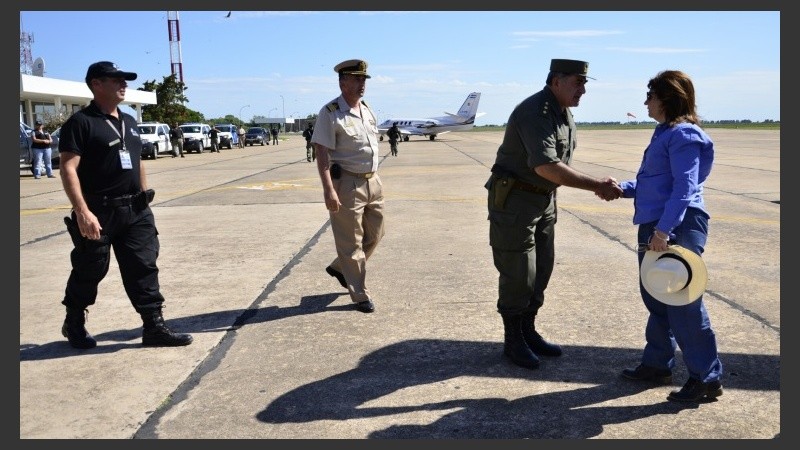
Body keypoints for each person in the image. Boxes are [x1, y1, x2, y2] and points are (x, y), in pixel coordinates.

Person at [485, 59, 622, 370]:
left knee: (542, 268)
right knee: (519, 271)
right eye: (578, 83)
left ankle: (528, 330)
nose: (583, 90)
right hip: (516, 201)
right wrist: (596, 185)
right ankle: (513, 340)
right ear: (556, 81)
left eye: (584, 83)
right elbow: (546, 166)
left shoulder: (563, 113)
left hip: (543, 200)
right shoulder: (537, 112)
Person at [57, 60, 193, 349]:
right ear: (96, 83)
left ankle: (154, 327)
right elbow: (68, 168)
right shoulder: (81, 123)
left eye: (125, 80)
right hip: (99, 210)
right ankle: (74, 322)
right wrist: (82, 211)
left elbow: (137, 160)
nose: (124, 84)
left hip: (135, 209)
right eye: (116, 79)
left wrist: (144, 194)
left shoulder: (129, 121)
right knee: (90, 268)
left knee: (144, 266)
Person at [617, 70, 722, 403]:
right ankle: (657, 363)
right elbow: (656, 183)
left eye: (650, 96)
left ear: (667, 98)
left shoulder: (684, 135)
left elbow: (684, 188)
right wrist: (621, 189)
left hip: (675, 225)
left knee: (683, 303)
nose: (646, 102)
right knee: (658, 299)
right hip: (656, 223)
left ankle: (707, 378)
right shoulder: (665, 132)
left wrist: (664, 231)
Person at [311, 58, 385, 314]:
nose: (361, 83)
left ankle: (340, 268)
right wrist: (328, 189)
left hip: (373, 181)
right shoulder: (330, 113)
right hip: (347, 184)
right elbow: (322, 153)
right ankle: (359, 294)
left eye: (363, 79)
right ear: (342, 82)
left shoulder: (367, 109)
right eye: (356, 78)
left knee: (375, 235)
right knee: (350, 243)